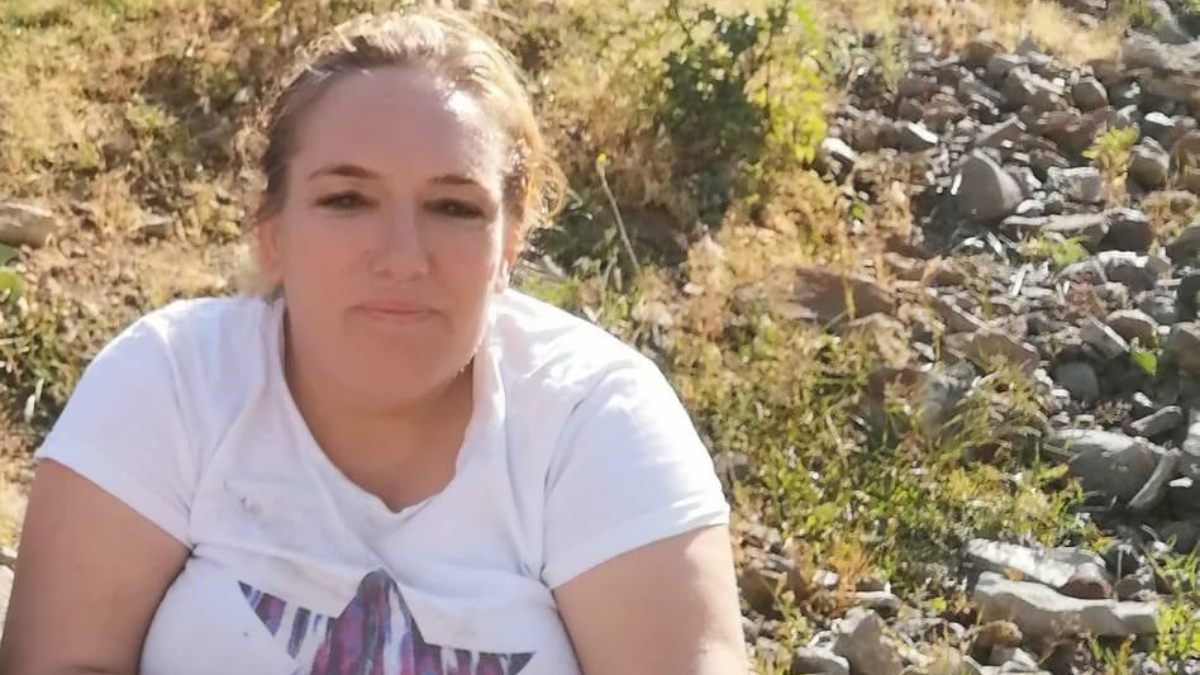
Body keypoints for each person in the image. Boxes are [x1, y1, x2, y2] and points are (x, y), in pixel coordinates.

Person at [0, 9, 747, 675]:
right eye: (347, 199)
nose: (402, 256)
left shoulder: (593, 418)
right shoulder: (173, 381)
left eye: (453, 207)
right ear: (272, 233)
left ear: (510, 246)